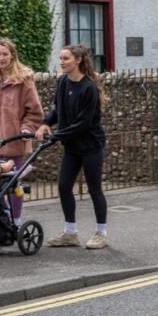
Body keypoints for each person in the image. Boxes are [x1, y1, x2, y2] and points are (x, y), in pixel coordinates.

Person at [35, 45, 109, 249]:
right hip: (72, 145)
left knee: (94, 189)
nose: (61, 62)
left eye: (66, 58)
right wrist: (45, 124)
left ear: (78, 60)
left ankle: (101, 233)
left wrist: (57, 135)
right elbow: (58, 109)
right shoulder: (62, 82)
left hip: (91, 145)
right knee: (63, 186)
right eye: (60, 58)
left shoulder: (88, 88)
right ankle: (70, 233)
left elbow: (83, 123)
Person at [0, 39, 44, 228]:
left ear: (12, 55)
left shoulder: (24, 79)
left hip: (14, 140)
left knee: (13, 185)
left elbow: (35, 111)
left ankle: (16, 221)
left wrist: (26, 128)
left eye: (5, 54)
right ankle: (4, 216)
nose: (1, 58)